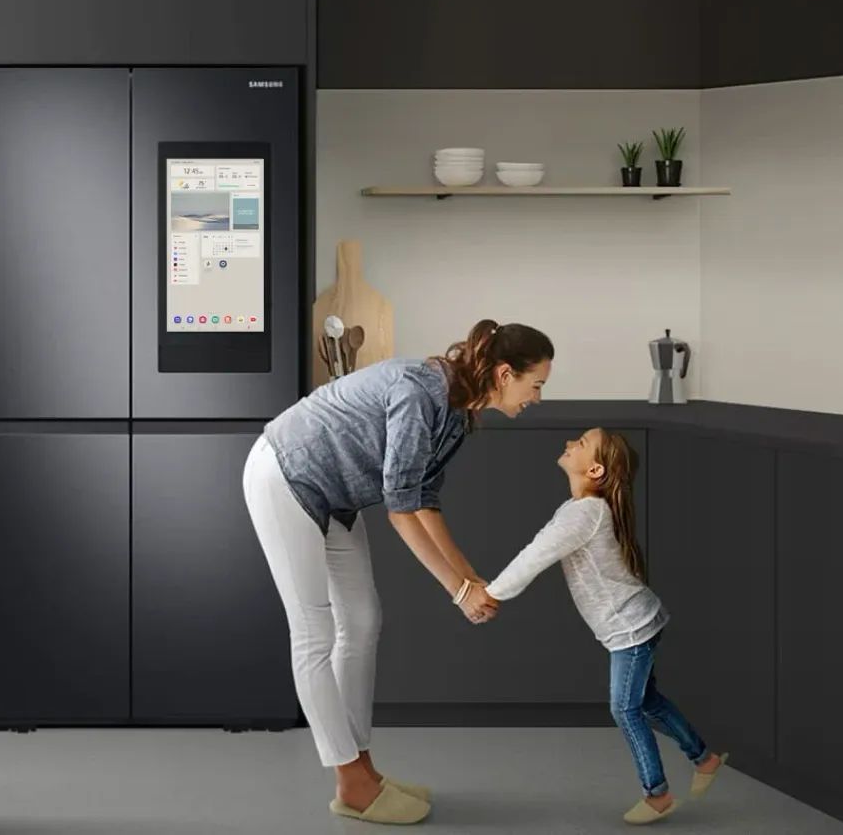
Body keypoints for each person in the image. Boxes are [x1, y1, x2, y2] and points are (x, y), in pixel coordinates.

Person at [242, 318, 554, 825]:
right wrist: (458, 592)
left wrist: (472, 579)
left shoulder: (457, 413)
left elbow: (425, 500)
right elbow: (400, 508)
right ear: (503, 374)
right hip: (285, 475)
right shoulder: (419, 392)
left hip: (337, 494)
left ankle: (363, 770)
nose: (537, 397)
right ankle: (351, 782)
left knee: (362, 622)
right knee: (314, 635)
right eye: (535, 384)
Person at [483, 427, 727, 825]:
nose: (569, 443)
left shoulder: (585, 512)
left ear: (594, 469)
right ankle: (706, 759)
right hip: (637, 622)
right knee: (647, 701)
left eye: (579, 444)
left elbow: (535, 556)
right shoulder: (578, 510)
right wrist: (493, 589)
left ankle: (658, 794)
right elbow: (540, 546)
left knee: (624, 708)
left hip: (631, 630)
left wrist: (491, 594)